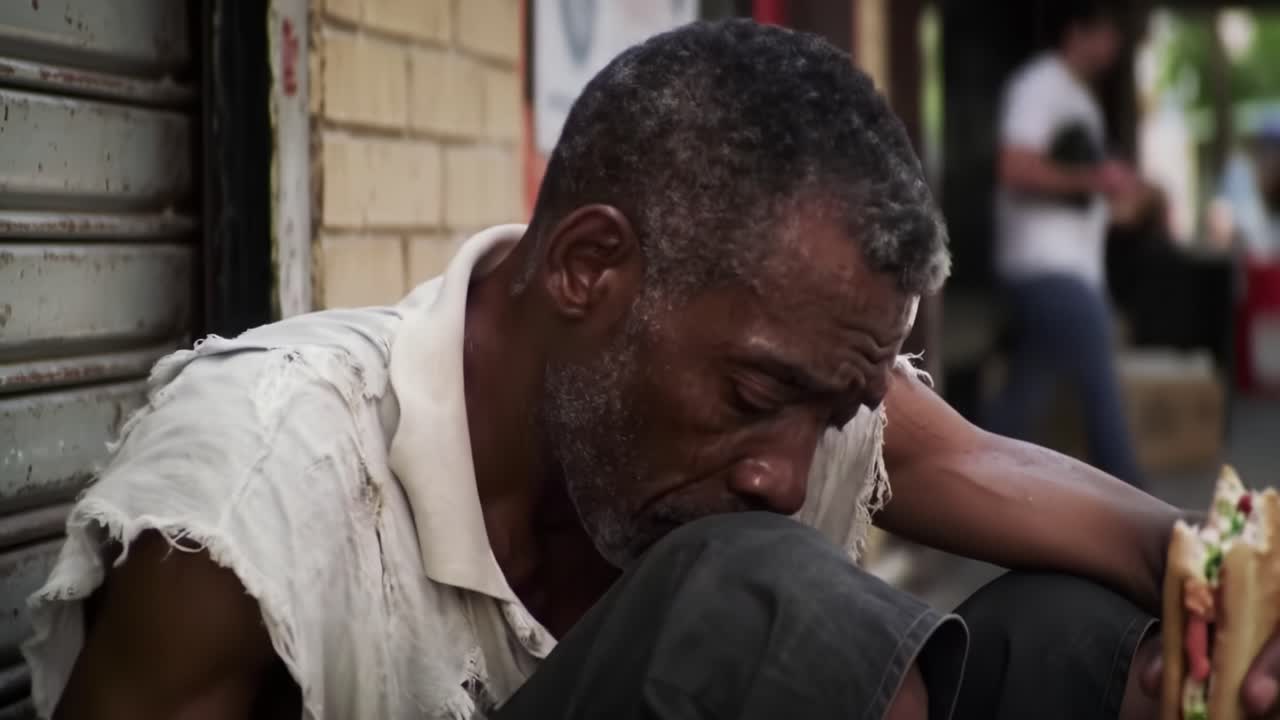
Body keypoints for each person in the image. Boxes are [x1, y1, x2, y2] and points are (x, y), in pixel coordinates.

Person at [21, 19, 1280, 720]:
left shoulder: (793, 385)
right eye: (749, 399)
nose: (787, 474)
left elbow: (981, 462)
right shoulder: (248, 508)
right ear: (587, 269)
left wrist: (1217, 594)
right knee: (754, 609)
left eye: (829, 407)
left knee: (1076, 642)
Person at [984, 0, 1147, 486]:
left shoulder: (1079, 99)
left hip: (1071, 270)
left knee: (1024, 399)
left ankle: (958, 482)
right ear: (1079, 31)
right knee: (1102, 402)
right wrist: (1098, 179)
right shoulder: (1040, 86)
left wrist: (1128, 197)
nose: (1115, 48)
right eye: (1109, 33)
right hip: (1049, 270)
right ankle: (1153, 521)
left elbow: (1087, 195)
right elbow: (1015, 167)